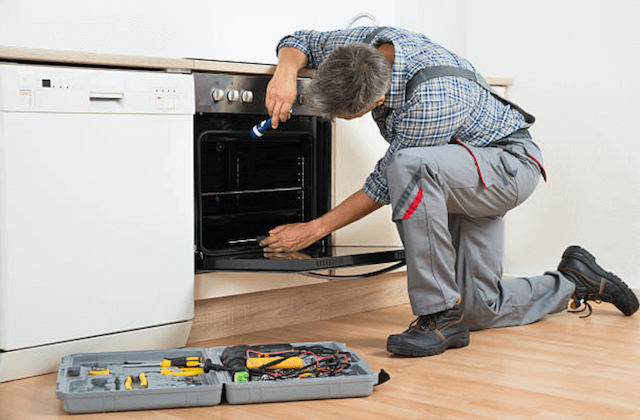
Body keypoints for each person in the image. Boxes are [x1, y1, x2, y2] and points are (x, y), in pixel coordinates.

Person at [260, 26, 639, 357]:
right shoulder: (363, 46)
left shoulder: (430, 101)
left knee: (407, 165)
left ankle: (438, 314)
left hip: (507, 167)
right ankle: (577, 280)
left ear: (376, 101)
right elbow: (300, 40)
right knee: (478, 309)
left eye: (347, 116)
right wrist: (286, 71)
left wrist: (315, 229)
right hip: (462, 169)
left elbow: (387, 182)